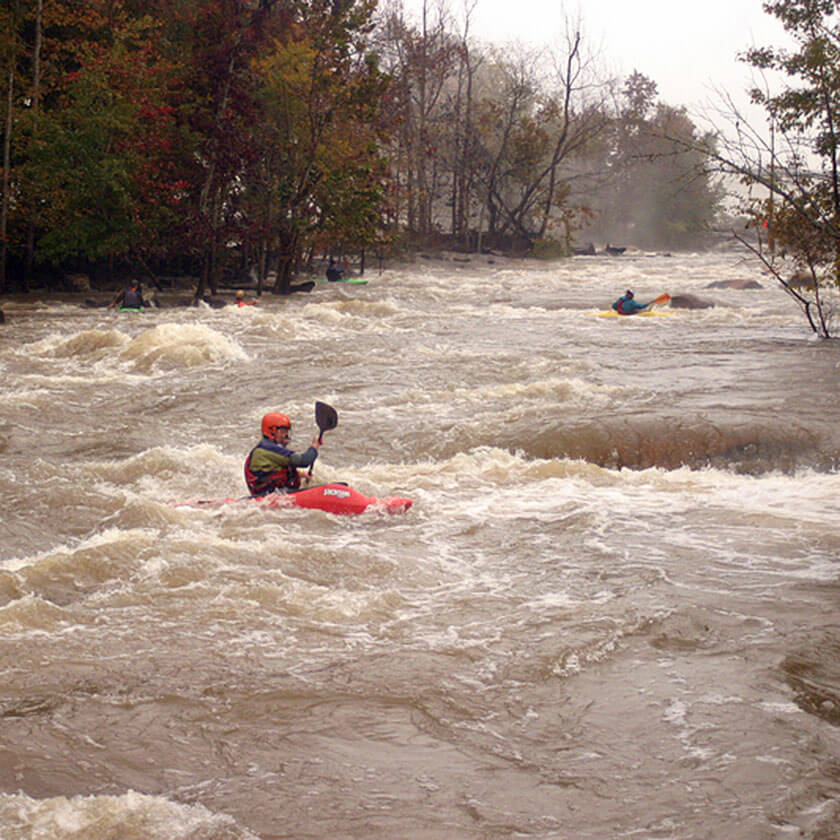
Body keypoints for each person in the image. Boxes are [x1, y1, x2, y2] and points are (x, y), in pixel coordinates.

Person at [244, 412, 321, 496]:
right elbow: (304, 460)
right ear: (272, 431)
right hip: (272, 495)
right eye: (283, 431)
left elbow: (270, 470)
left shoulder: (264, 448)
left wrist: (300, 474)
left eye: (287, 431)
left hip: (271, 495)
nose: (286, 435)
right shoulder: (270, 448)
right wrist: (315, 445)